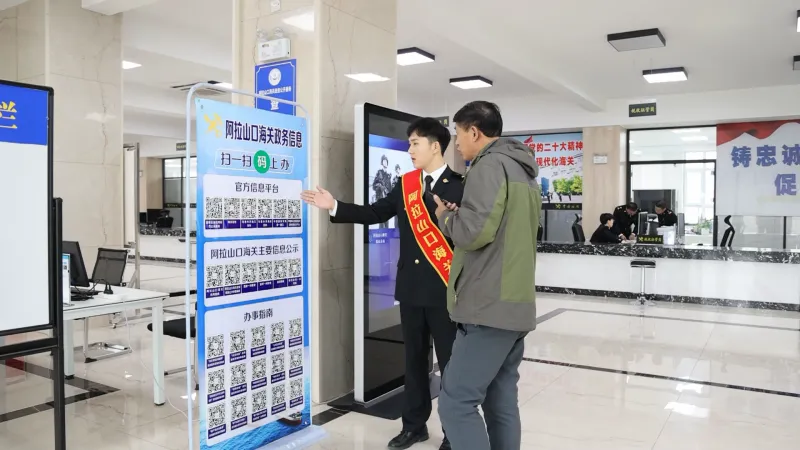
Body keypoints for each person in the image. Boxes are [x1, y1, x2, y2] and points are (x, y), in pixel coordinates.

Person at [301, 118, 463, 450]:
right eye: (409, 143)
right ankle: (414, 426)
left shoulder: (461, 186)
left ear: (435, 146)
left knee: (452, 365)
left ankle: (454, 432)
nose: (410, 149)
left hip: (446, 290)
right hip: (411, 289)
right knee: (413, 363)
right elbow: (375, 213)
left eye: (415, 143)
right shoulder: (406, 184)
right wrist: (334, 205)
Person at [432, 101, 539, 450]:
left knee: (456, 402)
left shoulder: (488, 165)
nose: (457, 143)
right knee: (500, 402)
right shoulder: (522, 170)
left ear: (474, 132)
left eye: (458, 134)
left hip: (487, 305)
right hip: (515, 303)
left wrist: (446, 217)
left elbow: (473, 234)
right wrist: (464, 214)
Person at [373, 155, 392, 228]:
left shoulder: (388, 175)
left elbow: (390, 190)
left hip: (387, 202)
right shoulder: (379, 172)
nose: (385, 162)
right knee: (381, 223)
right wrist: (381, 187)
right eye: (384, 161)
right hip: (380, 201)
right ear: (382, 162)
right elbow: (374, 186)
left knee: (387, 224)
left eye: (386, 161)